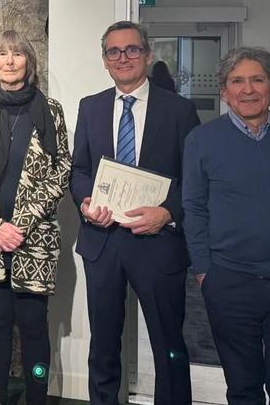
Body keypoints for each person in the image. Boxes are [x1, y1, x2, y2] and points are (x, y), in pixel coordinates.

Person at [69, 20, 199, 405]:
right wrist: (84, 203)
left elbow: (194, 179)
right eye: (114, 52)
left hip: (157, 242)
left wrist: (168, 213)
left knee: (169, 345)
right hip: (103, 241)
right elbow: (79, 171)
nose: (123, 58)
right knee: (104, 344)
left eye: (131, 50)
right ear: (105, 61)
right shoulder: (90, 107)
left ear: (147, 54)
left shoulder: (179, 109)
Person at [182, 47, 270, 405]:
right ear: (224, 91)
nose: (248, 89)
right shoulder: (201, 141)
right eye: (237, 81)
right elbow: (193, 207)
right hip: (230, 281)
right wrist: (204, 270)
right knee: (243, 387)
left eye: (258, 79)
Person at [0, 31, 70, 405]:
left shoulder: (49, 109)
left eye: (17, 54)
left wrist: (22, 223)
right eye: (2, 54)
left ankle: (37, 394)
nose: (9, 61)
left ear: (28, 62)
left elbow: (62, 169)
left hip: (33, 238)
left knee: (35, 326)